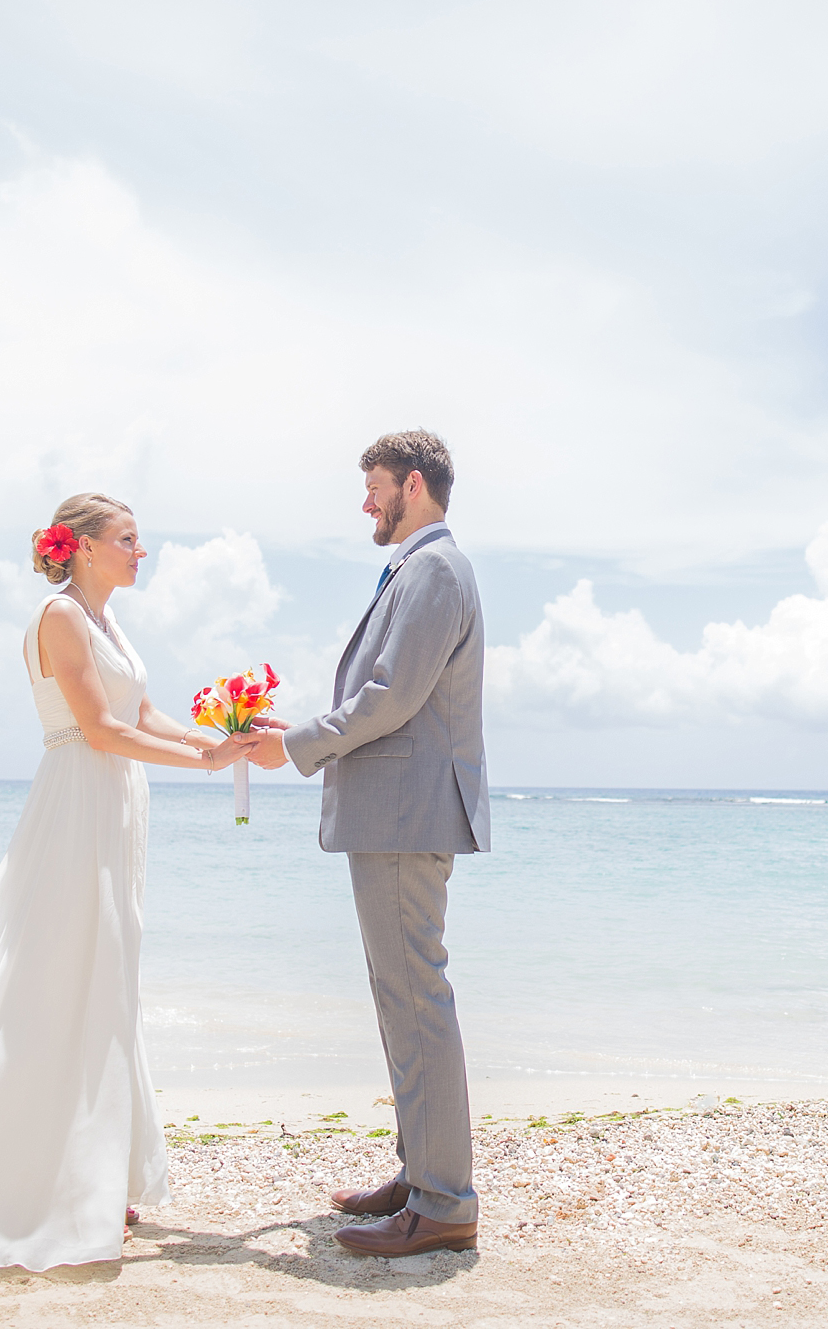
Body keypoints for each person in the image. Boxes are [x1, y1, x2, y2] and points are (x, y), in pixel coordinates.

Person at [0, 492, 243, 1271]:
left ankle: (95, 1168)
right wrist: (205, 763)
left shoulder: (108, 620)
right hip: (78, 798)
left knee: (106, 978)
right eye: (127, 539)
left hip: (116, 804)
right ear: (80, 547)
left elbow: (143, 709)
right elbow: (98, 728)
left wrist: (221, 739)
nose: (139, 551)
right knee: (57, 972)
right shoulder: (59, 618)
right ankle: (30, 1175)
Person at [234, 429, 491, 1257]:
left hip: (407, 817)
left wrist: (298, 744)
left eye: (374, 486)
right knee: (401, 1001)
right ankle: (424, 1177)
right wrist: (302, 733)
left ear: (412, 484)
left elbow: (390, 697)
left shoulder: (436, 569)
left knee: (416, 1000)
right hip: (397, 813)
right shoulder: (420, 569)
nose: (366, 502)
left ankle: (446, 1202)